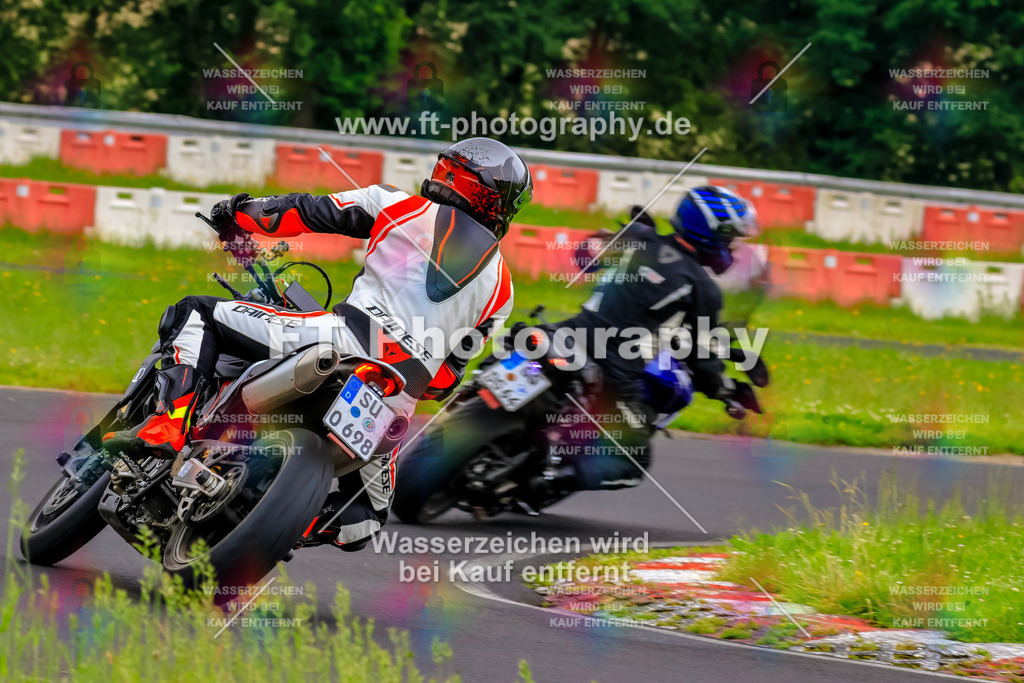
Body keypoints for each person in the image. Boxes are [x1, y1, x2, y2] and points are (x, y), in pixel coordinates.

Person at [102, 137, 533, 549]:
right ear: (499, 205)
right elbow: (444, 381)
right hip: (397, 398)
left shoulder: (398, 205)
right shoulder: (503, 290)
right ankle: (287, 522)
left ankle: (169, 423)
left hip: (342, 340)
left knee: (196, 312)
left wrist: (239, 213)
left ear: (448, 176)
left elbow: (302, 212)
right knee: (366, 516)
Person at [538, 185, 764, 494]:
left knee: (520, 341)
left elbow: (583, 258)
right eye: (730, 237)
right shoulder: (702, 288)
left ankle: (471, 397)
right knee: (634, 458)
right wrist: (727, 391)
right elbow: (700, 356)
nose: (734, 247)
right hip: (613, 370)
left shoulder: (642, 238)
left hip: (566, 333)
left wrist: (619, 239)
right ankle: (547, 480)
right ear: (712, 234)